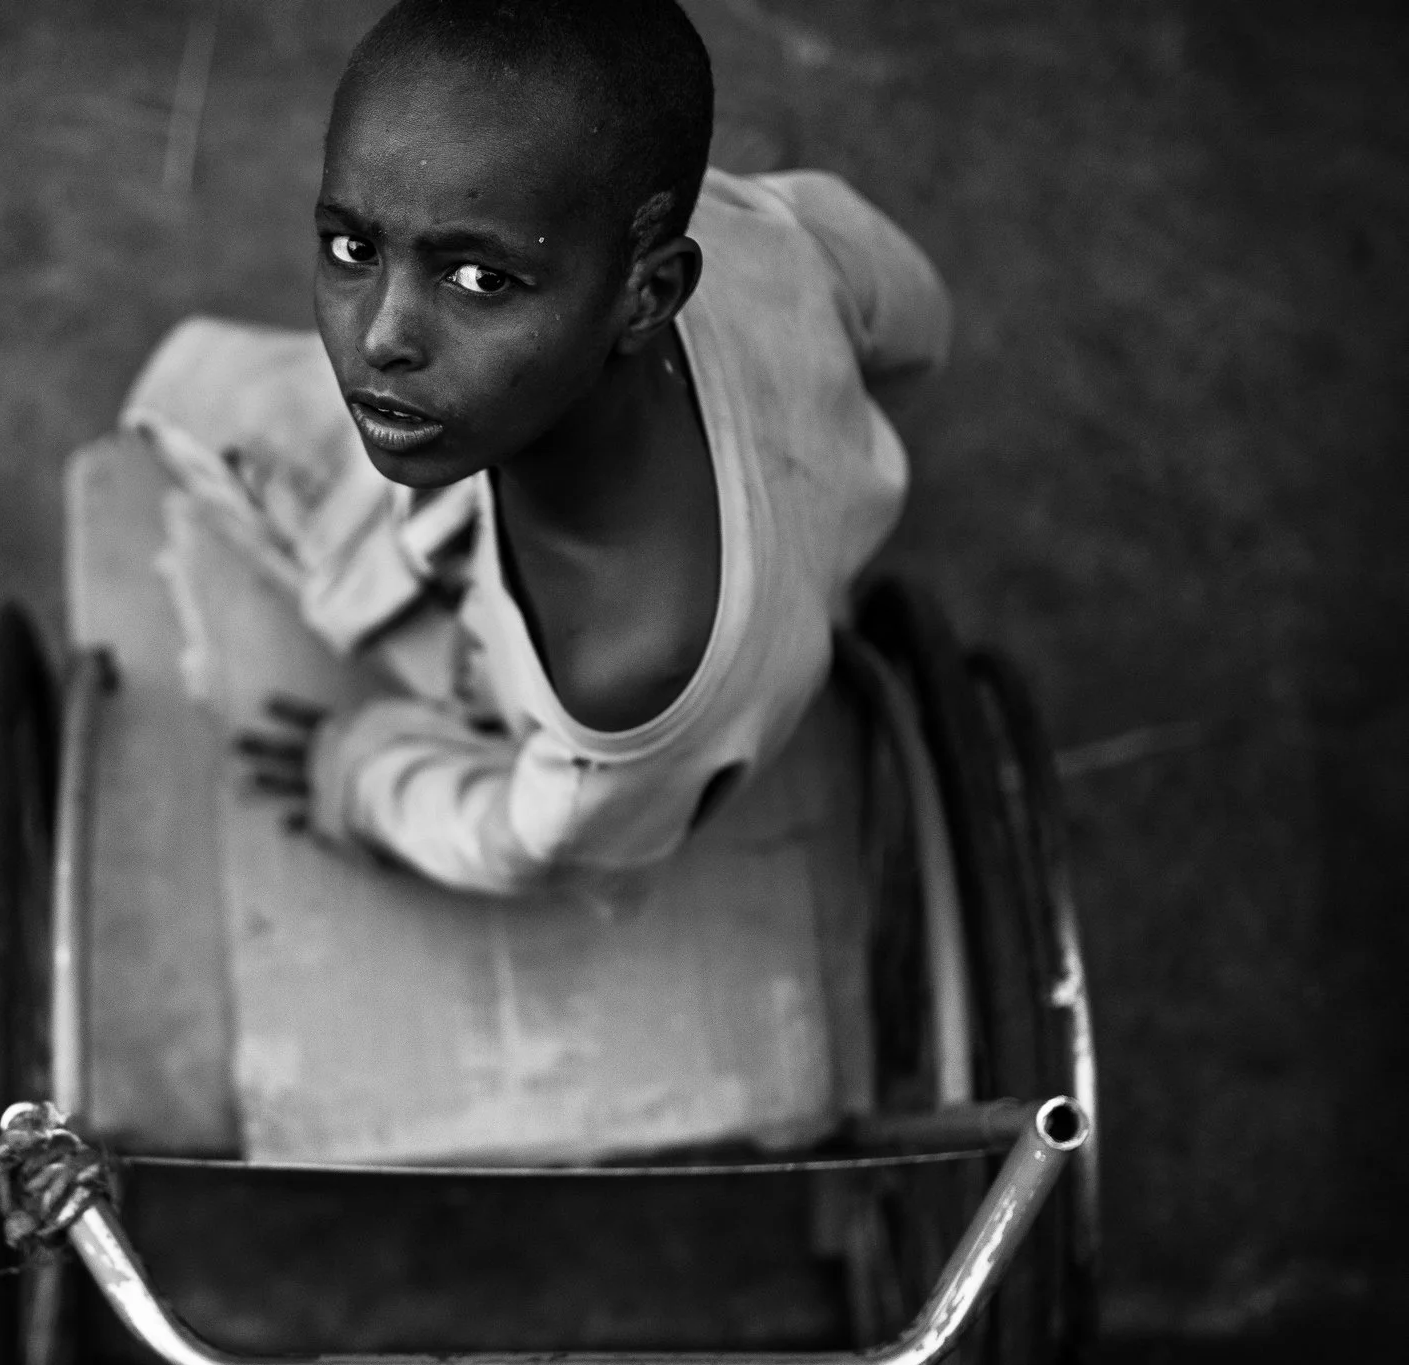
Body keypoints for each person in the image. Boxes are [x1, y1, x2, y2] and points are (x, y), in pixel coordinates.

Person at [122, 0, 949, 893]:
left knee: (186, 407)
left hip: (551, 646)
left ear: (648, 294)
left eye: (480, 278)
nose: (381, 340)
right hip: (636, 482)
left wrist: (359, 776)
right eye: (353, 245)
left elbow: (537, 842)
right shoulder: (766, 226)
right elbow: (912, 324)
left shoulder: (625, 656)